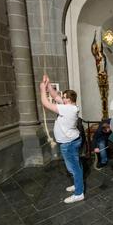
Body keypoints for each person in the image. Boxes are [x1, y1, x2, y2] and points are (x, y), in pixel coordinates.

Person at [39, 75, 84, 204]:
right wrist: (48, 85)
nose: (61, 98)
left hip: (69, 143)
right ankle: (78, 184)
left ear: (68, 99)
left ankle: (79, 193)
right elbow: (54, 96)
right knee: (76, 167)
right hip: (72, 141)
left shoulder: (67, 109)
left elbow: (46, 103)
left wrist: (42, 90)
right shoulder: (70, 106)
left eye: (64, 97)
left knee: (74, 169)